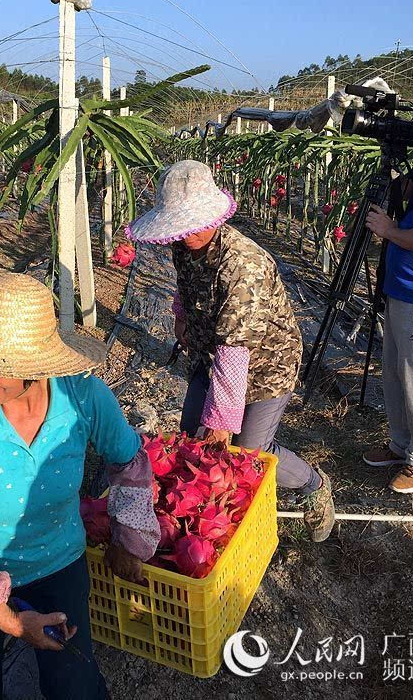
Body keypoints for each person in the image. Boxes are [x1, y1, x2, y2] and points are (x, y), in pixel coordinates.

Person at [0, 272, 160, 700]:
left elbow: (129, 461)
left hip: (58, 560)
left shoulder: (84, 400)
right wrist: (11, 621)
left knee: (74, 687)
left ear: (36, 367)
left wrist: (128, 537)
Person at [126, 160, 335, 542]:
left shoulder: (243, 265)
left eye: (192, 223)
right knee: (191, 439)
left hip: (265, 365)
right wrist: (181, 316)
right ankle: (201, 513)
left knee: (247, 450)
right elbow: (185, 288)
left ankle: (314, 485)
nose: (186, 234)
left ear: (214, 216)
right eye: (179, 225)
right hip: (212, 354)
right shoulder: (184, 246)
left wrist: (222, 420)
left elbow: (235, 349)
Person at [364, 92, 413, 493]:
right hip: (401, 286)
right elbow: (409, 192)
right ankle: (400, 443)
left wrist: (389, 231)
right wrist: (392, 172)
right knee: (394, 371)